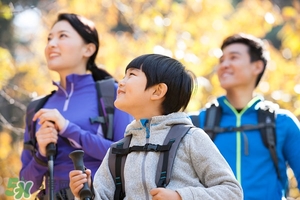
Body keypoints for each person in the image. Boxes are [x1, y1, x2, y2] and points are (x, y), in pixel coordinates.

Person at [69, 53, 243, 200]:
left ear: (157, 91)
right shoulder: (118, 150)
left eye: (132, 75)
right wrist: (86, 191)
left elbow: (232, 192)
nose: (121, 82)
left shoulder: (191, 138)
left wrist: (180, 196)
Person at [19, 13, 133, 199]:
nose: (51, 44)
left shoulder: (112, 94)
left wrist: (68, 129)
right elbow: (21, 190)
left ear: (88, 49)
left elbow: (128, 159)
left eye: (62, 36)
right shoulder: (36, 108)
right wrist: (40, 154)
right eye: (49, 38)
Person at [190, 33, 300, 200]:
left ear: (257, 66)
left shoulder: (282, 123)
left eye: (233, 58)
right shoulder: (195, 123)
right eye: (221, 60)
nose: (224, 65)